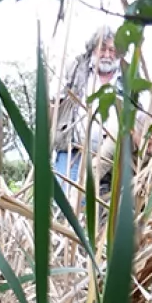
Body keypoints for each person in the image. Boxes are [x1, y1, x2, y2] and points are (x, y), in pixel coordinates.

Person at [53, 28, 122, 193]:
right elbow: (54, 100)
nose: (107, 54)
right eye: (102, 49)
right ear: (93, 50)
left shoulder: (127, 78)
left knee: (103, 208)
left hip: (111, 155)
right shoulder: (75, 69)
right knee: (65, 199)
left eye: (112, 50)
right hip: (73, 150)